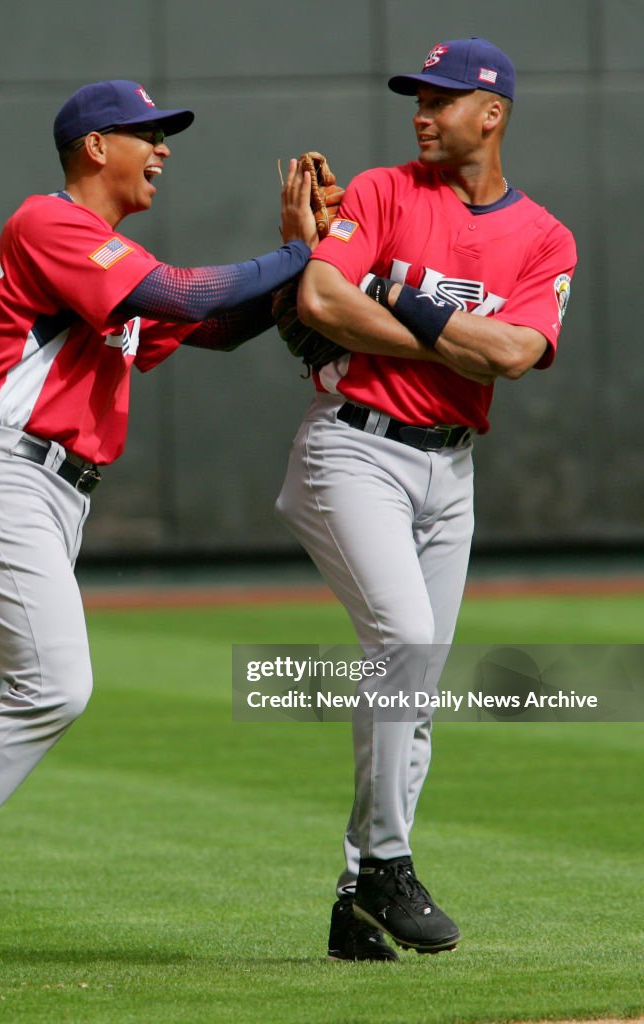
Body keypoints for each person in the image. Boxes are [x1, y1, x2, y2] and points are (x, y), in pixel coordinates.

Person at [0, 79, 320, 980]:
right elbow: (185, 293)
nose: (162, 149)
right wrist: (300, 250)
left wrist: (298, 273)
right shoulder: (52, 226)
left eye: (164, 136)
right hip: (5, 481)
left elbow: (215, 326)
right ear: (93, 147)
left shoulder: (105, 258)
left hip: (38, 498)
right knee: (57, 685)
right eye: (145, 134)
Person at [275, 38, 576, 961]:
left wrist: (403, 302)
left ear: (491, 114)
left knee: (415, 685)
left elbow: (519, 355)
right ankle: (387, 866)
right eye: (418, 95)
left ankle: (356, 901)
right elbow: (323, 299)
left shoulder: (545, 237)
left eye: (442, 98)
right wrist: (451, 337)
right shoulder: (378, 192)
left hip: (451, 474)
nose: (422, 111)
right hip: (353, 450)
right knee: (402, 641)